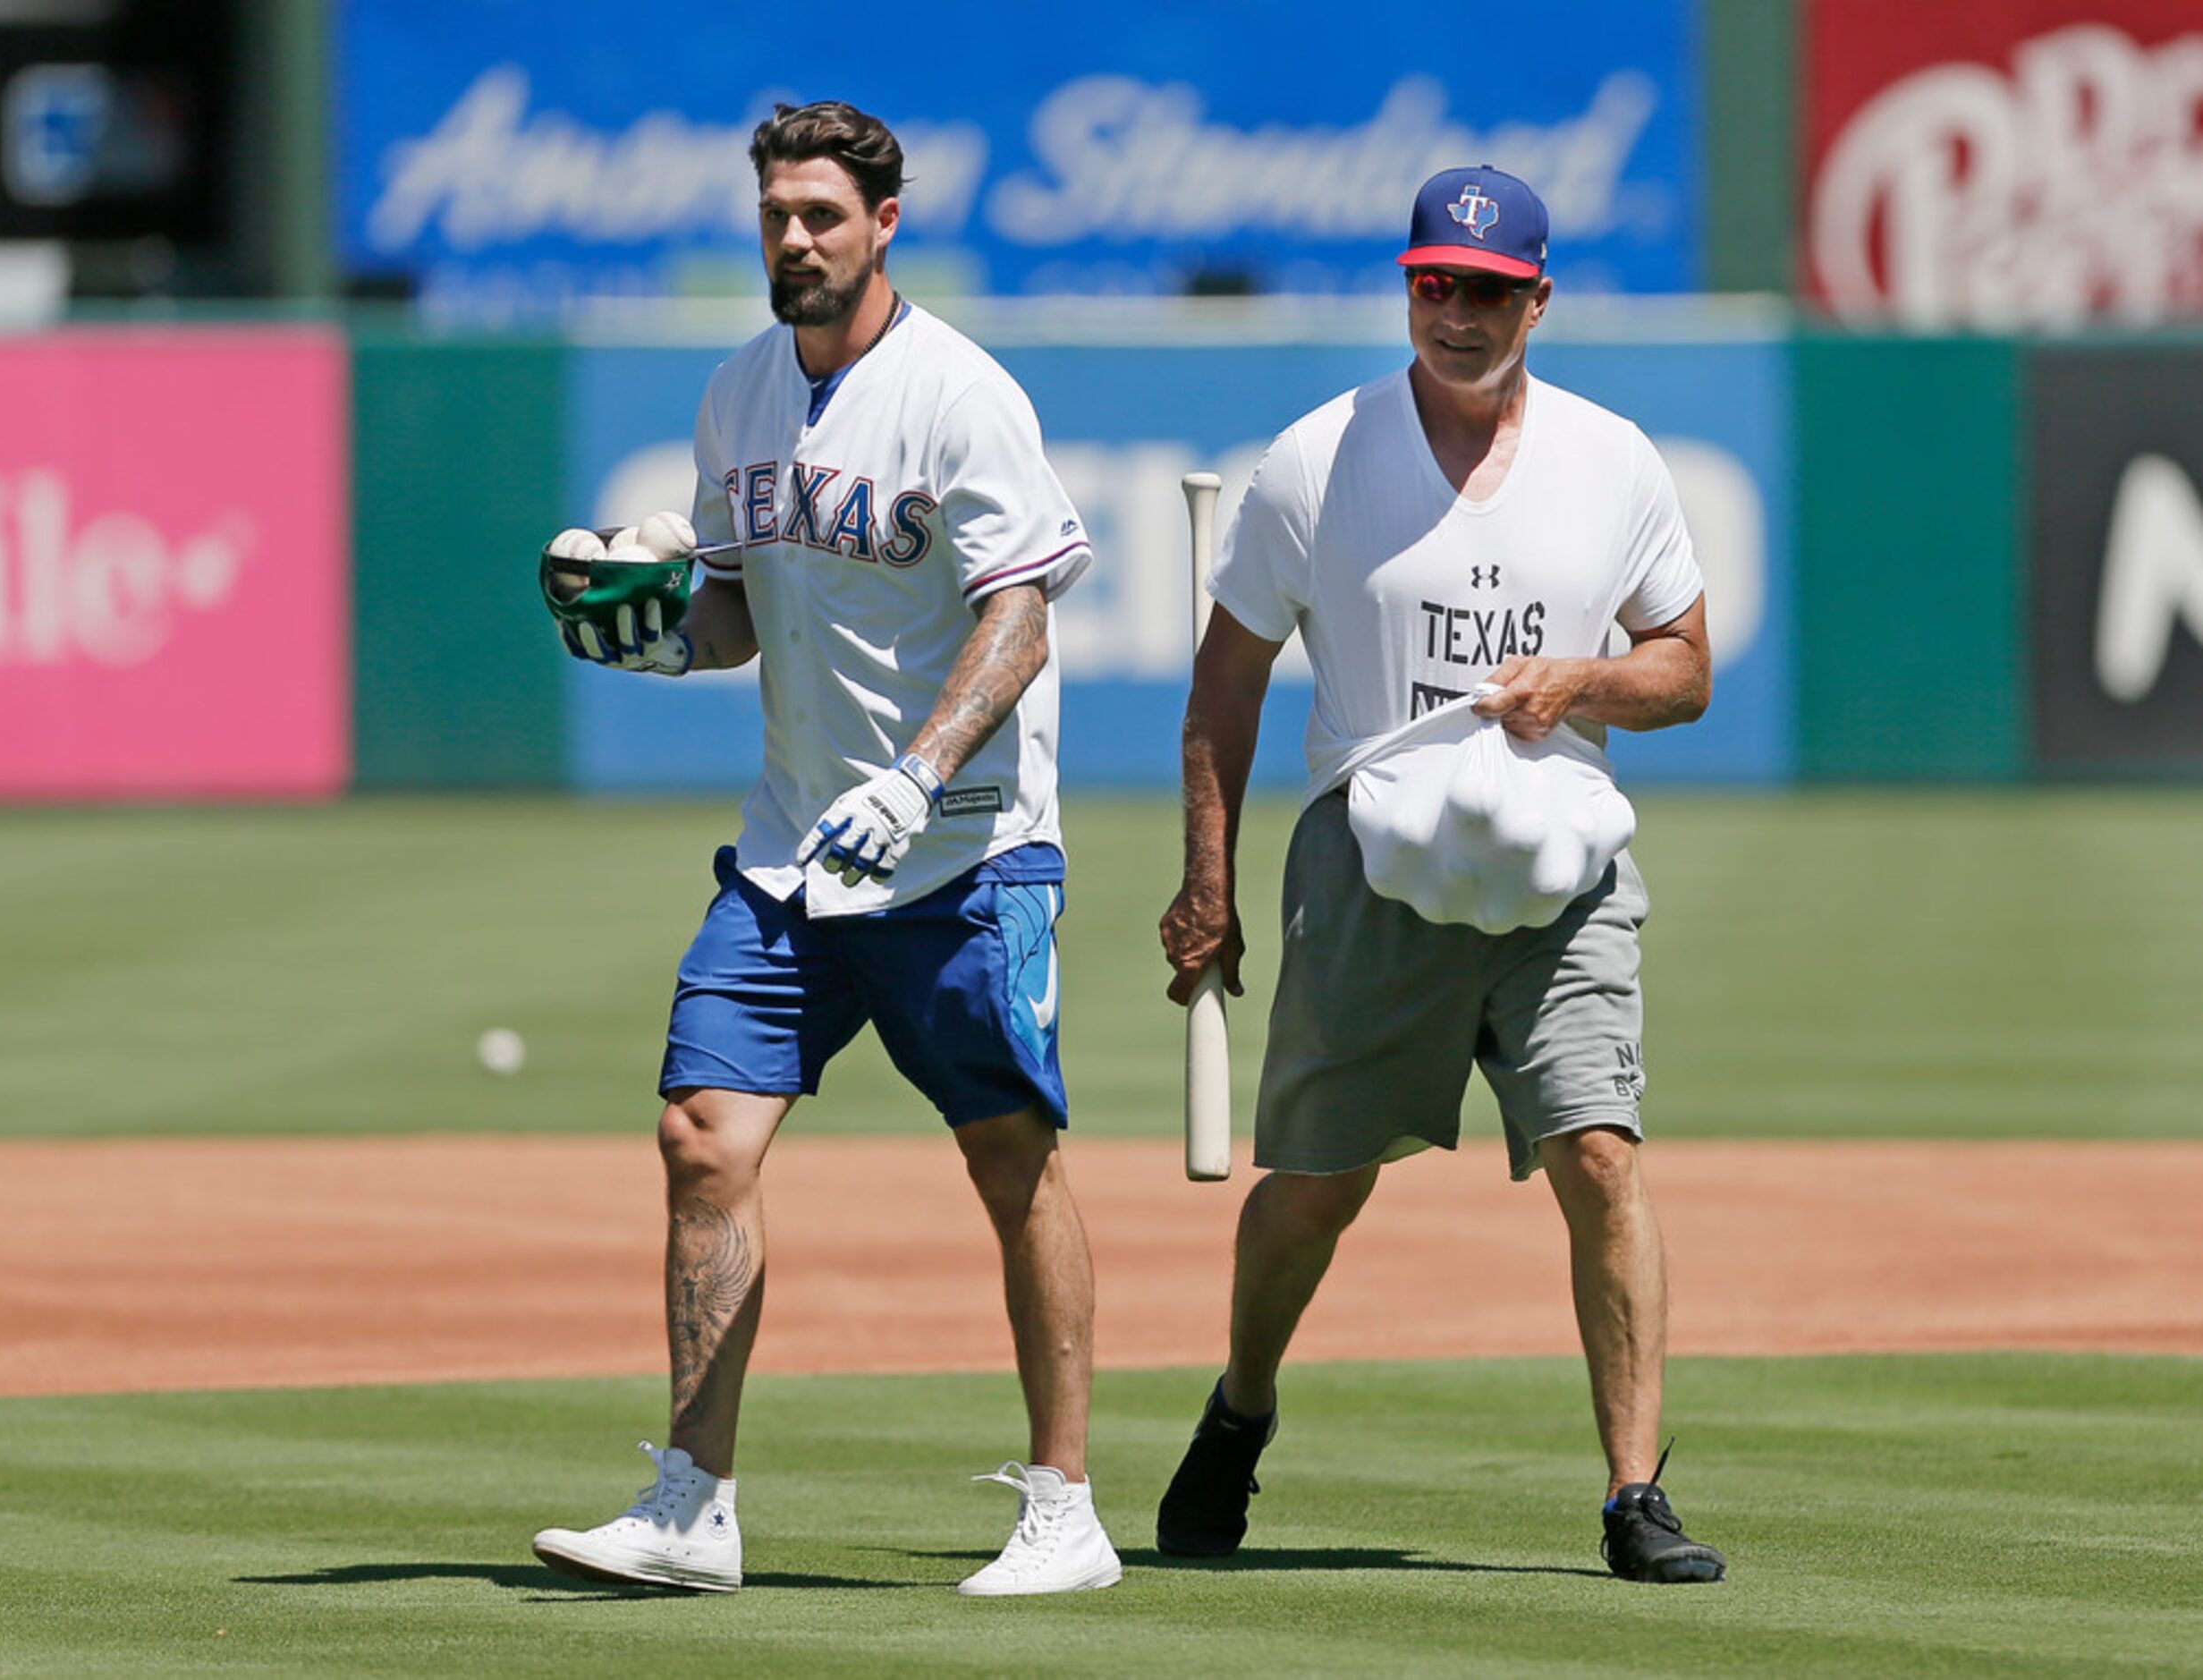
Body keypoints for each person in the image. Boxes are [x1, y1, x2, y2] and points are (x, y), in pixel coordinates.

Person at [530, 100, 1119, 1599]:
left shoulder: (957, 394)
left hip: (964, 855)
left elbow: (1023, 613)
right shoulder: (734, 398)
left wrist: (921, 777)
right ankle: (690, 1504)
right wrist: (656, 640)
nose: (796, 240)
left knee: (1010, 1160)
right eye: (777, 216)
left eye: (823, 217)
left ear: (883, 224)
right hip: (794, 853)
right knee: (699, 1140)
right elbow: (733, 610)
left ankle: (1064, 1506)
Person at [1153, 165, 1727, 1584]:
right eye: (1429, 285)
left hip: (1564, 868)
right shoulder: (1314, 460)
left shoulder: (1613, 460)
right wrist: (1207, 882)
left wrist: (1585, 675)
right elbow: (1225, 684)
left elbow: (1686, 667)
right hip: (1372, 859)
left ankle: (1634, 1491)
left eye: (1481, 290)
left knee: (1599, 1155)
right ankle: (1241, 1406)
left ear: (1537, 299)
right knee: (1315, 1185)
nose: (1452, 314)